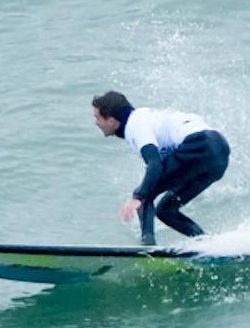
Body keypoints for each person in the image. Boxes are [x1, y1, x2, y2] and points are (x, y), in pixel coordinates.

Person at [91, 90, 231, 245]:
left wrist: (138, 197)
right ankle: (208, 244)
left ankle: (147, 248)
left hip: (200, 144)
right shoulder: (144, 118)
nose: (96, 122)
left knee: (144, 193)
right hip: (219, 152)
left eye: (97, 118)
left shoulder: (135, 125)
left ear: (111, 120)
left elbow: (155, 165)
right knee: (166, 210)